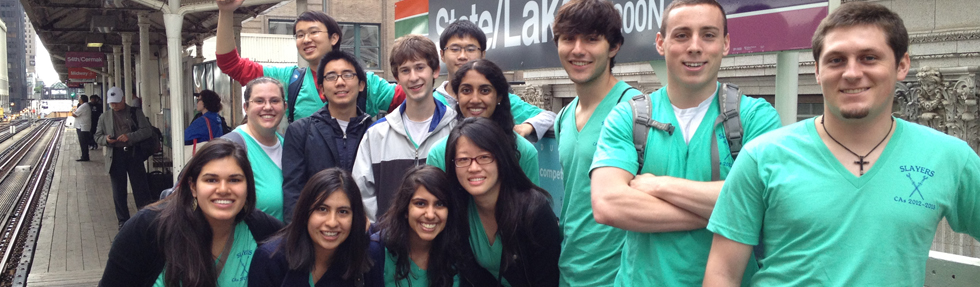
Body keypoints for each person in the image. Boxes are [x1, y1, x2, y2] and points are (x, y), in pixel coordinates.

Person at [703, 3, 980, 286]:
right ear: (817, 72)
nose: (851, 73)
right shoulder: (762, 157)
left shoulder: (949, 157)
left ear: (902, 65)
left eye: (869, 58)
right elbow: (722, 273)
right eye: (836, 60)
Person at [589, 1, 781, 286]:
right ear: (660, 43)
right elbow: (608, 205)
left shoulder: (755, 118)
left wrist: (658, 185)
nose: (695, 46)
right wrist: (731, 212)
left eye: (708, 35)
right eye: (681, 35)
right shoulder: (628, 118)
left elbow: (762, 205)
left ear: (725, 43)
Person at [99, 139, 283, 287]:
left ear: (248, 187)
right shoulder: (146, 229)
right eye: (211, 180)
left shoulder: (264, 230)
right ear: (193, 187)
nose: (223, 189)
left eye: (234, 180)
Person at [549, 1, 640, 285]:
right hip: (569, 268)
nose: (578, 49)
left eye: (591, 39)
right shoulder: (562, 117)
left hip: (619, 274)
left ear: (613, 47)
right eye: (568, 38)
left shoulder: (638, 110)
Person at [215, 0, 396, 122]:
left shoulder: (368, 82)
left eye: (313, 32)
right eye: (300, 35)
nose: (306, 39)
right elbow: (230, 64)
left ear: (334, 38)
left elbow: (412, 99)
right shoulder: (289, 80)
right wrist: (226, 11)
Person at [353, 34, 457, 222]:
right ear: (397, 77)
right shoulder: (376, 135)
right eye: (405, 70)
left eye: (420, 68)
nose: (414, 77)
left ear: (434, 70)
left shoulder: (456, 129)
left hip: (446, 246)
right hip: (391, 246)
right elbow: (361, 197)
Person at [446, 117, 560, 287]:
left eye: (484, 157)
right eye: (463, 160)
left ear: (501, 159)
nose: (474, 168)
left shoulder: (534, 211)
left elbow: (548, 279)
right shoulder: (456, 210)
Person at [283, 51, 375, 223]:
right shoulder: (301, 132)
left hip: (364, 235)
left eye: (347, 75)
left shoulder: (375, 132)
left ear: (361, 84)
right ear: (321, 89)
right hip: (317, 232)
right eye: (331, 76)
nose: (340, 82)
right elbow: (293, 192)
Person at [249, 168, 381, 286]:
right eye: (322, 209)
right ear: (305, 213)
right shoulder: (271, 260)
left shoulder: (363, 259)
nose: (332, 222)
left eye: (343, 212)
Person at [436, 20, 555, 140]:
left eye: (470, 49)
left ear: (483, 54)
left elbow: (550, 118)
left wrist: (527, 126)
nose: (462, 56)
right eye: (455, 49)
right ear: (442, 55)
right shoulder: (433, 102)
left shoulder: (498, 99)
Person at [425, 59, 539, 184]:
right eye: (466, 90)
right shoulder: (439, 153)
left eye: (485, 90)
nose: (475, 99)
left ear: (499, 96)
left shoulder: (524, 152)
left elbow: (532, 202)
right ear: (457, 96)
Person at [374, 165, 460, 287]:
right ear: (405, 209)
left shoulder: (456, 255)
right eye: (420, 203)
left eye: (439, 204)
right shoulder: (377, 253)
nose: (430, 215)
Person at [223, 77, 287, 221]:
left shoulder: (289, 145)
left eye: (275, 101)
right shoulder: (230, 146)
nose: (268, 107)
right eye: (259, 101)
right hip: (246, 242)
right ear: (246, 107)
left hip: (285, 241)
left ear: (285, 106)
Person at [95, 87, 156, 229]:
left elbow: (147, 130)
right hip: (115, 155)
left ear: (123, 99)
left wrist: (130, 136)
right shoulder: (104, 117)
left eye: (116, 102)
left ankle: (145, 217)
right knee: (118, 190)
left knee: (140, 188)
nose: (114, 105)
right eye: (111, 103)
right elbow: (97, 136)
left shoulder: (135, 112)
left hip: (133, 153)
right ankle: (123, 221)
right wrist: (106, 139)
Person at [72, 94, 92, 161]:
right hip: (84, 126)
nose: (79, 99)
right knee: (84, 143)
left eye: (79, 98)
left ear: (81, 99)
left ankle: (85, 157)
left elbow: (74, 114)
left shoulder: (83, 106)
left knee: (83, 143)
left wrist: (73, 111)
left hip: (82, 127)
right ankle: (85, 156)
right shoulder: (86, 105)